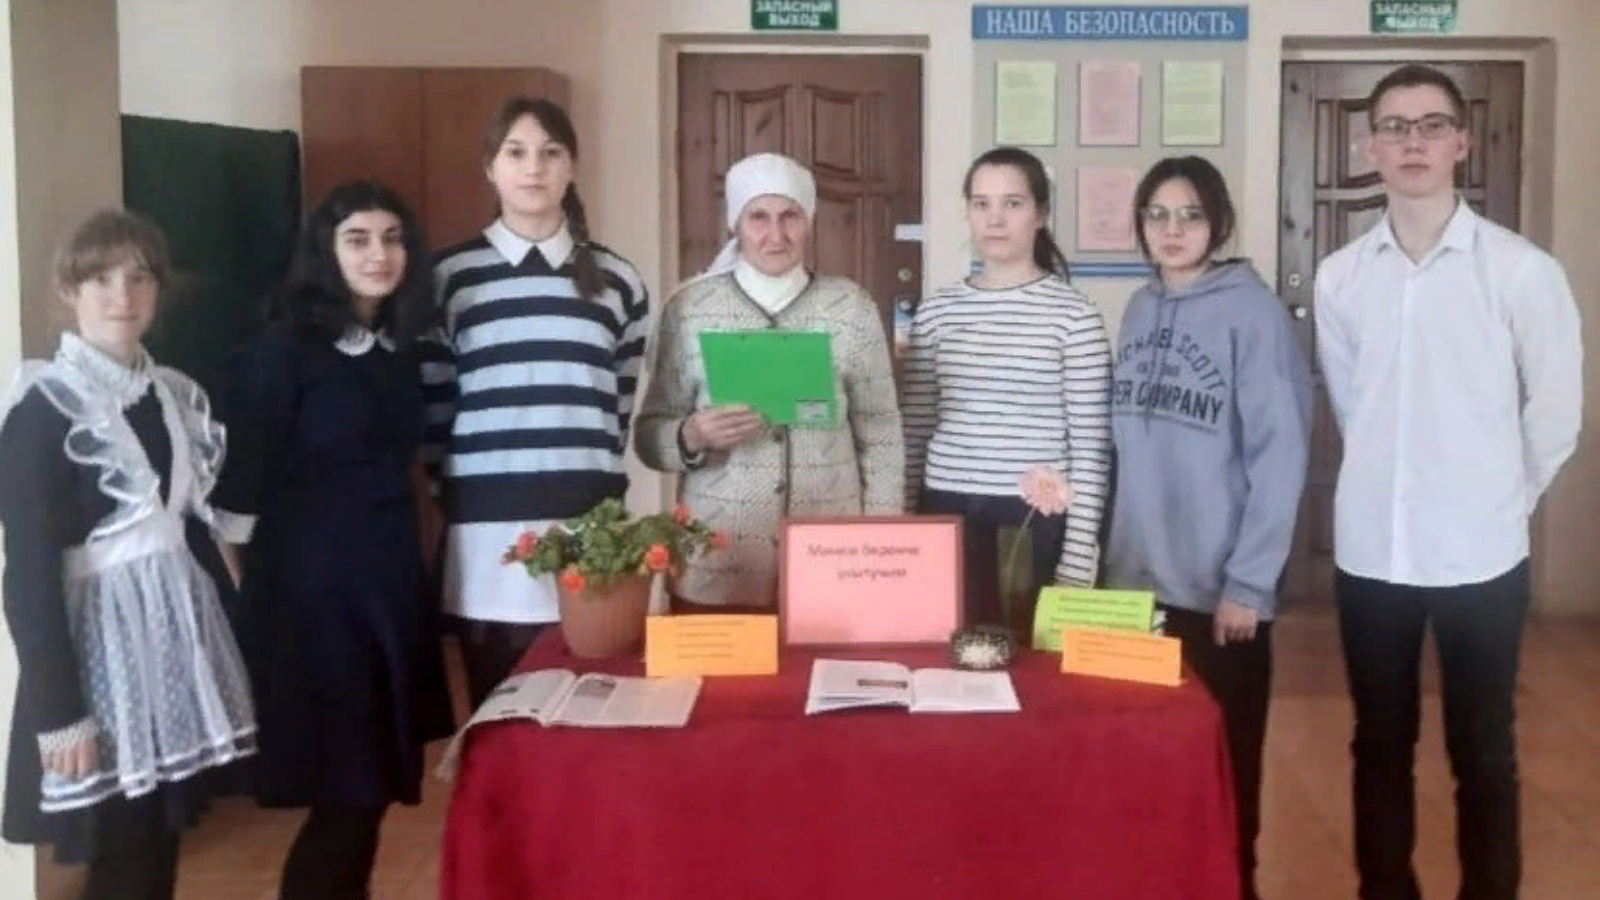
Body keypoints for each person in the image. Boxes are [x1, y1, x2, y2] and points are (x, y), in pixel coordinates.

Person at [1314, 64, 1582, 900]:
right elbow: (1354, 407)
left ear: (1462, 141)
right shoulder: (1341, 276)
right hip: (1372, 554)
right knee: (1378, 744)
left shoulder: (1521, 271)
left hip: (1482, 557)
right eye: (1395, 127)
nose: (1413, 142)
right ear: (1370, 147)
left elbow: (1557, 415)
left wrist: (1500, 499)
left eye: (1432, 125)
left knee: (1485, 753)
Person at [0, 209, 257, 900]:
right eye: (102, 280)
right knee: (118, 856)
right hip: (99, 660)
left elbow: (190, 532)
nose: (123, 296)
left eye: (139, 278)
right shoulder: (42, 409)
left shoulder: (170, 395)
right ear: (69, 291)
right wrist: (59, 712)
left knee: (157, 847)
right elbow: (27, 575)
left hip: (171, 654)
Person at [211, 180, 455, 899]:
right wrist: (261, 611)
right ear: (326, 250)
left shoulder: (394, 352)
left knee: (371, 791)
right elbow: (233, 505)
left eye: (392, 238)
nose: (379, 255)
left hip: (385, 590)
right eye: (358, 239)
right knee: (347, 794)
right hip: (313, 607)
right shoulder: (281, 353)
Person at [1104, 155, 1313, 900]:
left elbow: (1281, 456)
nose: (1173, 230)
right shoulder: (1138, 308)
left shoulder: (1253, 314)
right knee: (1147, 769)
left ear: (1218, 223)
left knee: (1227, 772)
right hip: (1134, 589)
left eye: (1190, 215)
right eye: (1157, 215)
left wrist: (1249, 586)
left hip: (1218, 595)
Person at [419, 97, 651, 708]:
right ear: (489, 168)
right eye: (515, 152)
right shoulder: (449, 277)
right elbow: (435, 404)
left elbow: (617, 403)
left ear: (572, 167)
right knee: (496, 702)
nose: (533, 168)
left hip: (587, 514)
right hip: (487, 521)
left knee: (588, 699)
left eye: (551, 153)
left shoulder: (618, 280)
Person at [633, 151, 904, 611]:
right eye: (758, 217)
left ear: (809, 222)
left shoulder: (851, 308)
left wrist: (877, 542)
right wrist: (692, 434)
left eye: (790, 216)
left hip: (832, 560)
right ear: (736, 224)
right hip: (716, 564)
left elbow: (881, 434)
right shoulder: (689, 309)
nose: (775, 235)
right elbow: (648, 437)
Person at [902, 146, 1111, 627]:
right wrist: (905, 526)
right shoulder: (936, 311)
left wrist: (1078, 560)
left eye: (1012, 204)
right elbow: (914, 431)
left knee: (1021, 655)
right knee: (946, 649)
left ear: (1041, 214)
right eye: (982, 204)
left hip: (1031, 517)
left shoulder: (1074, 316)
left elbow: (1090, 449)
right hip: (945, 506)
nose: (994, 219)